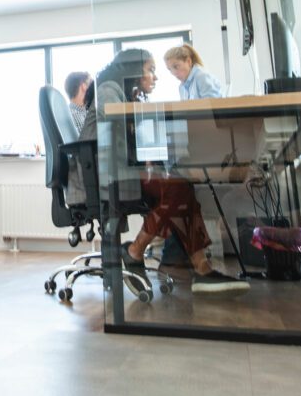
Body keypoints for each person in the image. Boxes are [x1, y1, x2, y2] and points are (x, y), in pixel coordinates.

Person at [84, 48, 248, 295]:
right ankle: (136, 250)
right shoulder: (108, 89)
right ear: (133, 72)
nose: (156, 77)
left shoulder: (125, 94)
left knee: (183, 188)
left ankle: (201, 267)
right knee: (178, 187)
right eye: (150, 70)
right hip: (108, 174)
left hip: (124, 170)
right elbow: (117, 127)